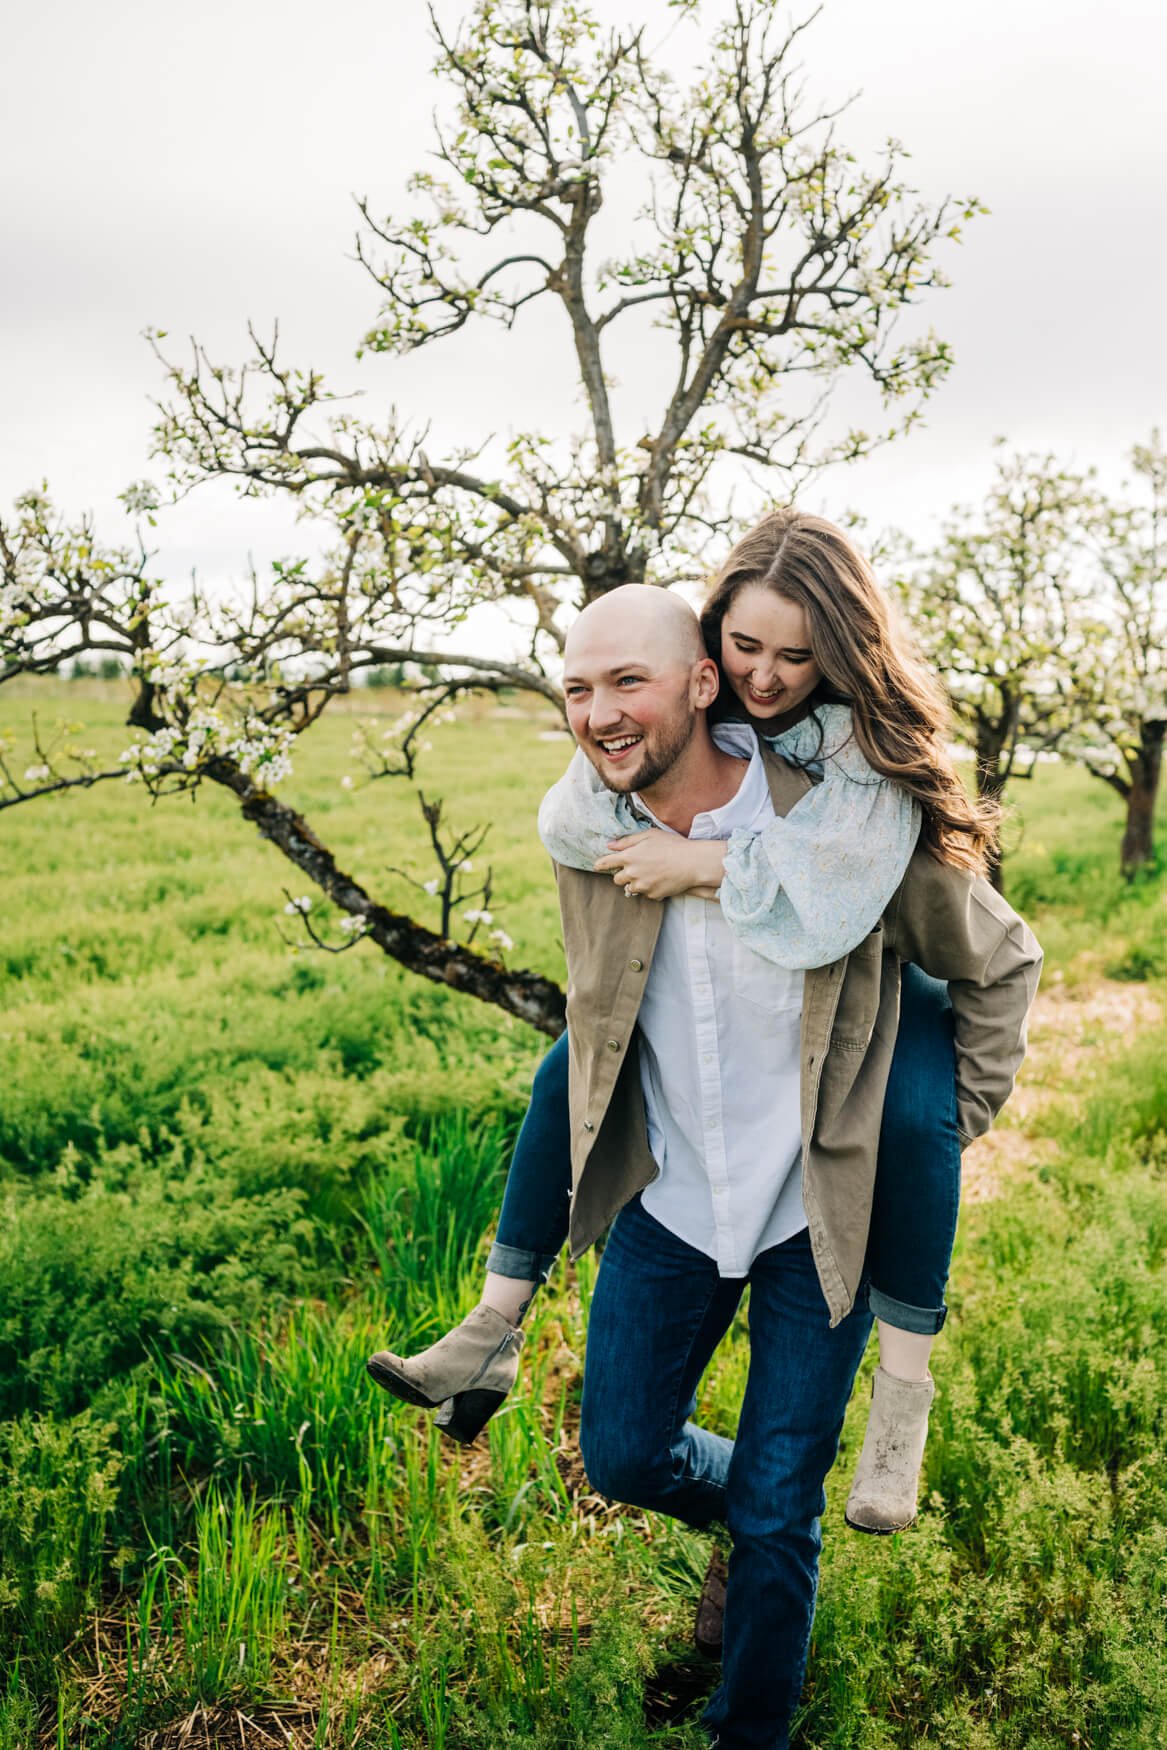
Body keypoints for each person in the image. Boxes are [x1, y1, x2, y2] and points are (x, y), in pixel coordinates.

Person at [402, 579, 1039, 1748]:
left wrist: (958, 1113)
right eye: (577, 689)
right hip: (673, 1200)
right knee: (624, 1452)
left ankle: (754, 1712)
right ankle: (757, 1518)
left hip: (815, 1215)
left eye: (626, 683)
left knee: (786, 1507)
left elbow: (1003, 955)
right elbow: (592, 1026)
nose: (596, 713)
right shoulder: (595, 828)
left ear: (700, 684)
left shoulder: (847, 830)